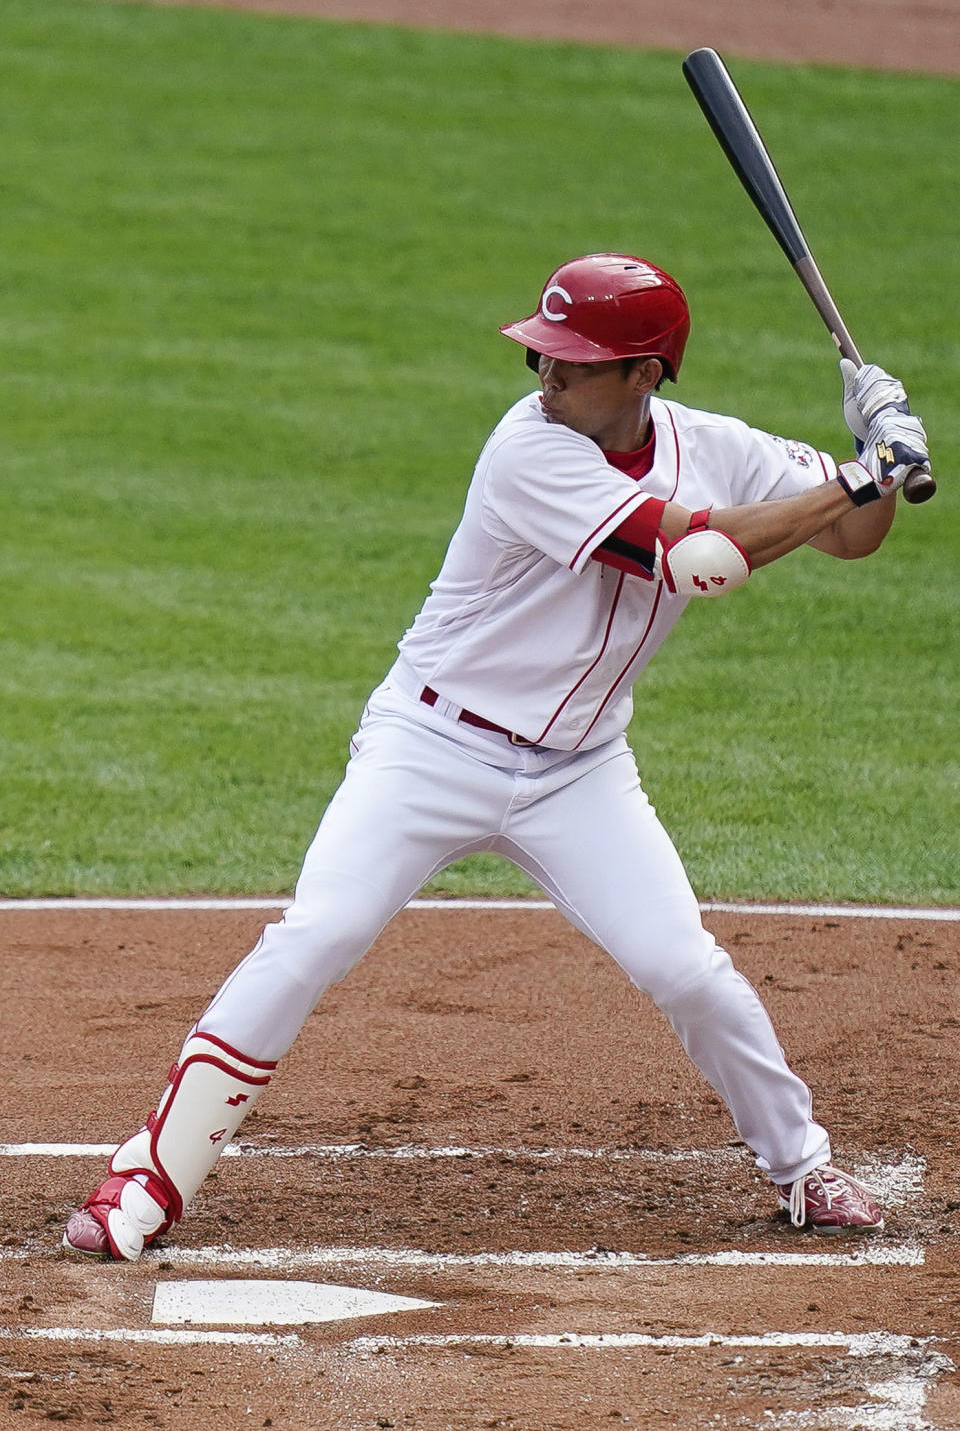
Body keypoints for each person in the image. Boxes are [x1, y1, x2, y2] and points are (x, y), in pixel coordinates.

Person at [63, 253, 931, 1260]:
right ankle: (148, 1181)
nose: (546, 379)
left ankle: (803, 1168)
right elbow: (699, 560)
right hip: (432, 746)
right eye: (543, 358)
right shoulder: (529, 451)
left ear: (645, 375)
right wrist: (863, 475)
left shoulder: (718, 448)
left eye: (572, 365)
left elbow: (854, 537)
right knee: (315, 935)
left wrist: (882, 447)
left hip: (579, 773)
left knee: (684, 967)